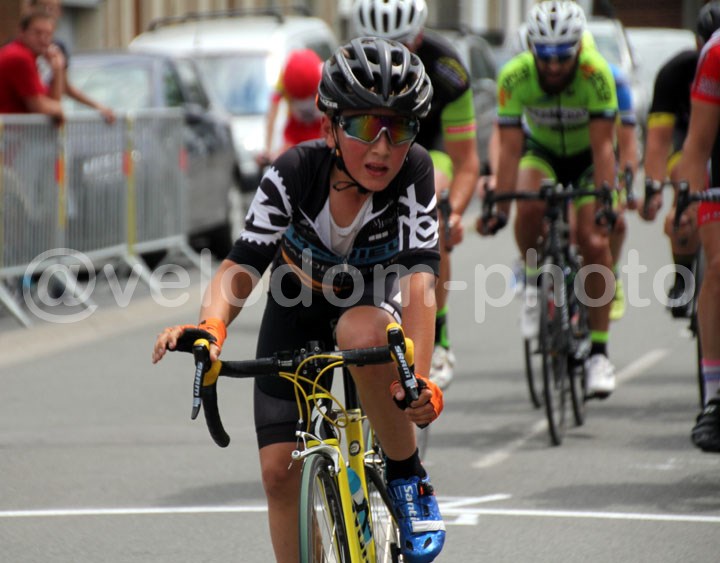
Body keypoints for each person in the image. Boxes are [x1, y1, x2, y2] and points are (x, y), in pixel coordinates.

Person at [152, 37, 446, 563]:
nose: (382, 147)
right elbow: (241, 264)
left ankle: (408, 478)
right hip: (296, 304)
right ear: (329, 127)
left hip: (370, 303)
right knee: (277, 471)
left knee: (360, 331)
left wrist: (419, 381)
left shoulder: (414, 172)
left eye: (399, 128)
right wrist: (212, 326)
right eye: (365, 126)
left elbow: (421, 281)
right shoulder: (293, 172)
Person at [477, 1, 619, 399]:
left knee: (594, 242)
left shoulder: (596, 74)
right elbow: (509, 149)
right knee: (528, 204)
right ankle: (532, 277)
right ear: (532, 49)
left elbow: (604, 148)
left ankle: (599, 354)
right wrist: (500, 209)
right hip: (542, 152)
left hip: (586, 158)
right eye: (545, 55)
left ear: (577, 48)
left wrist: (606, 204)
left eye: (562, 55)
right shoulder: (515, 76)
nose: (554, 65)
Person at [351, 0, 481, 390]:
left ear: (419, 37)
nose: (390, 60)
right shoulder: (345, 66)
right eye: (376, 48)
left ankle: (438, 336)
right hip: (371, 145)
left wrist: (452, 215)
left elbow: (467, 162)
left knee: (431, 211)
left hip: (429, 149)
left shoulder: (447, 70)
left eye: (401, 47)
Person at [641, 1, 720, 319]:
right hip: (687, 137)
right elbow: (658, 139)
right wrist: (653, 187)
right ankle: (683, 276)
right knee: (684, 185)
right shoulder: (675, 72)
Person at [675, 5, 720, 453]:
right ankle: (714, 397)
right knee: (719, 265)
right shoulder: (715, 53)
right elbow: (698, 144)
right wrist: (687, 199)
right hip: (719, 163)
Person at [27, 0, 115, 123]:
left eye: (53, 8)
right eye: (43, 7)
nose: (48, 12)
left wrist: (98, 107)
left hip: (47, 122)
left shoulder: (58, 47)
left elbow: (65, 87)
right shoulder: (22, 49)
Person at [256, 48, 323, 165]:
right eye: (297, 98)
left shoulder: (323, 76)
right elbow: (272, 114)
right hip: (295, 129)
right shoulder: (283, 78)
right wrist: (267, 150)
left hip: (321, 127)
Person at [0, 9, 64, 121]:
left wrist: (58, 70)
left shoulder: (26, 56)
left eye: (48, 34)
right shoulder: (20, 57)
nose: (43, 39)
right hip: (10, 130)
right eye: (37, 33)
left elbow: (51, 102)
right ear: (22, 32)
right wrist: (58, 109)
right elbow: (41, 107)